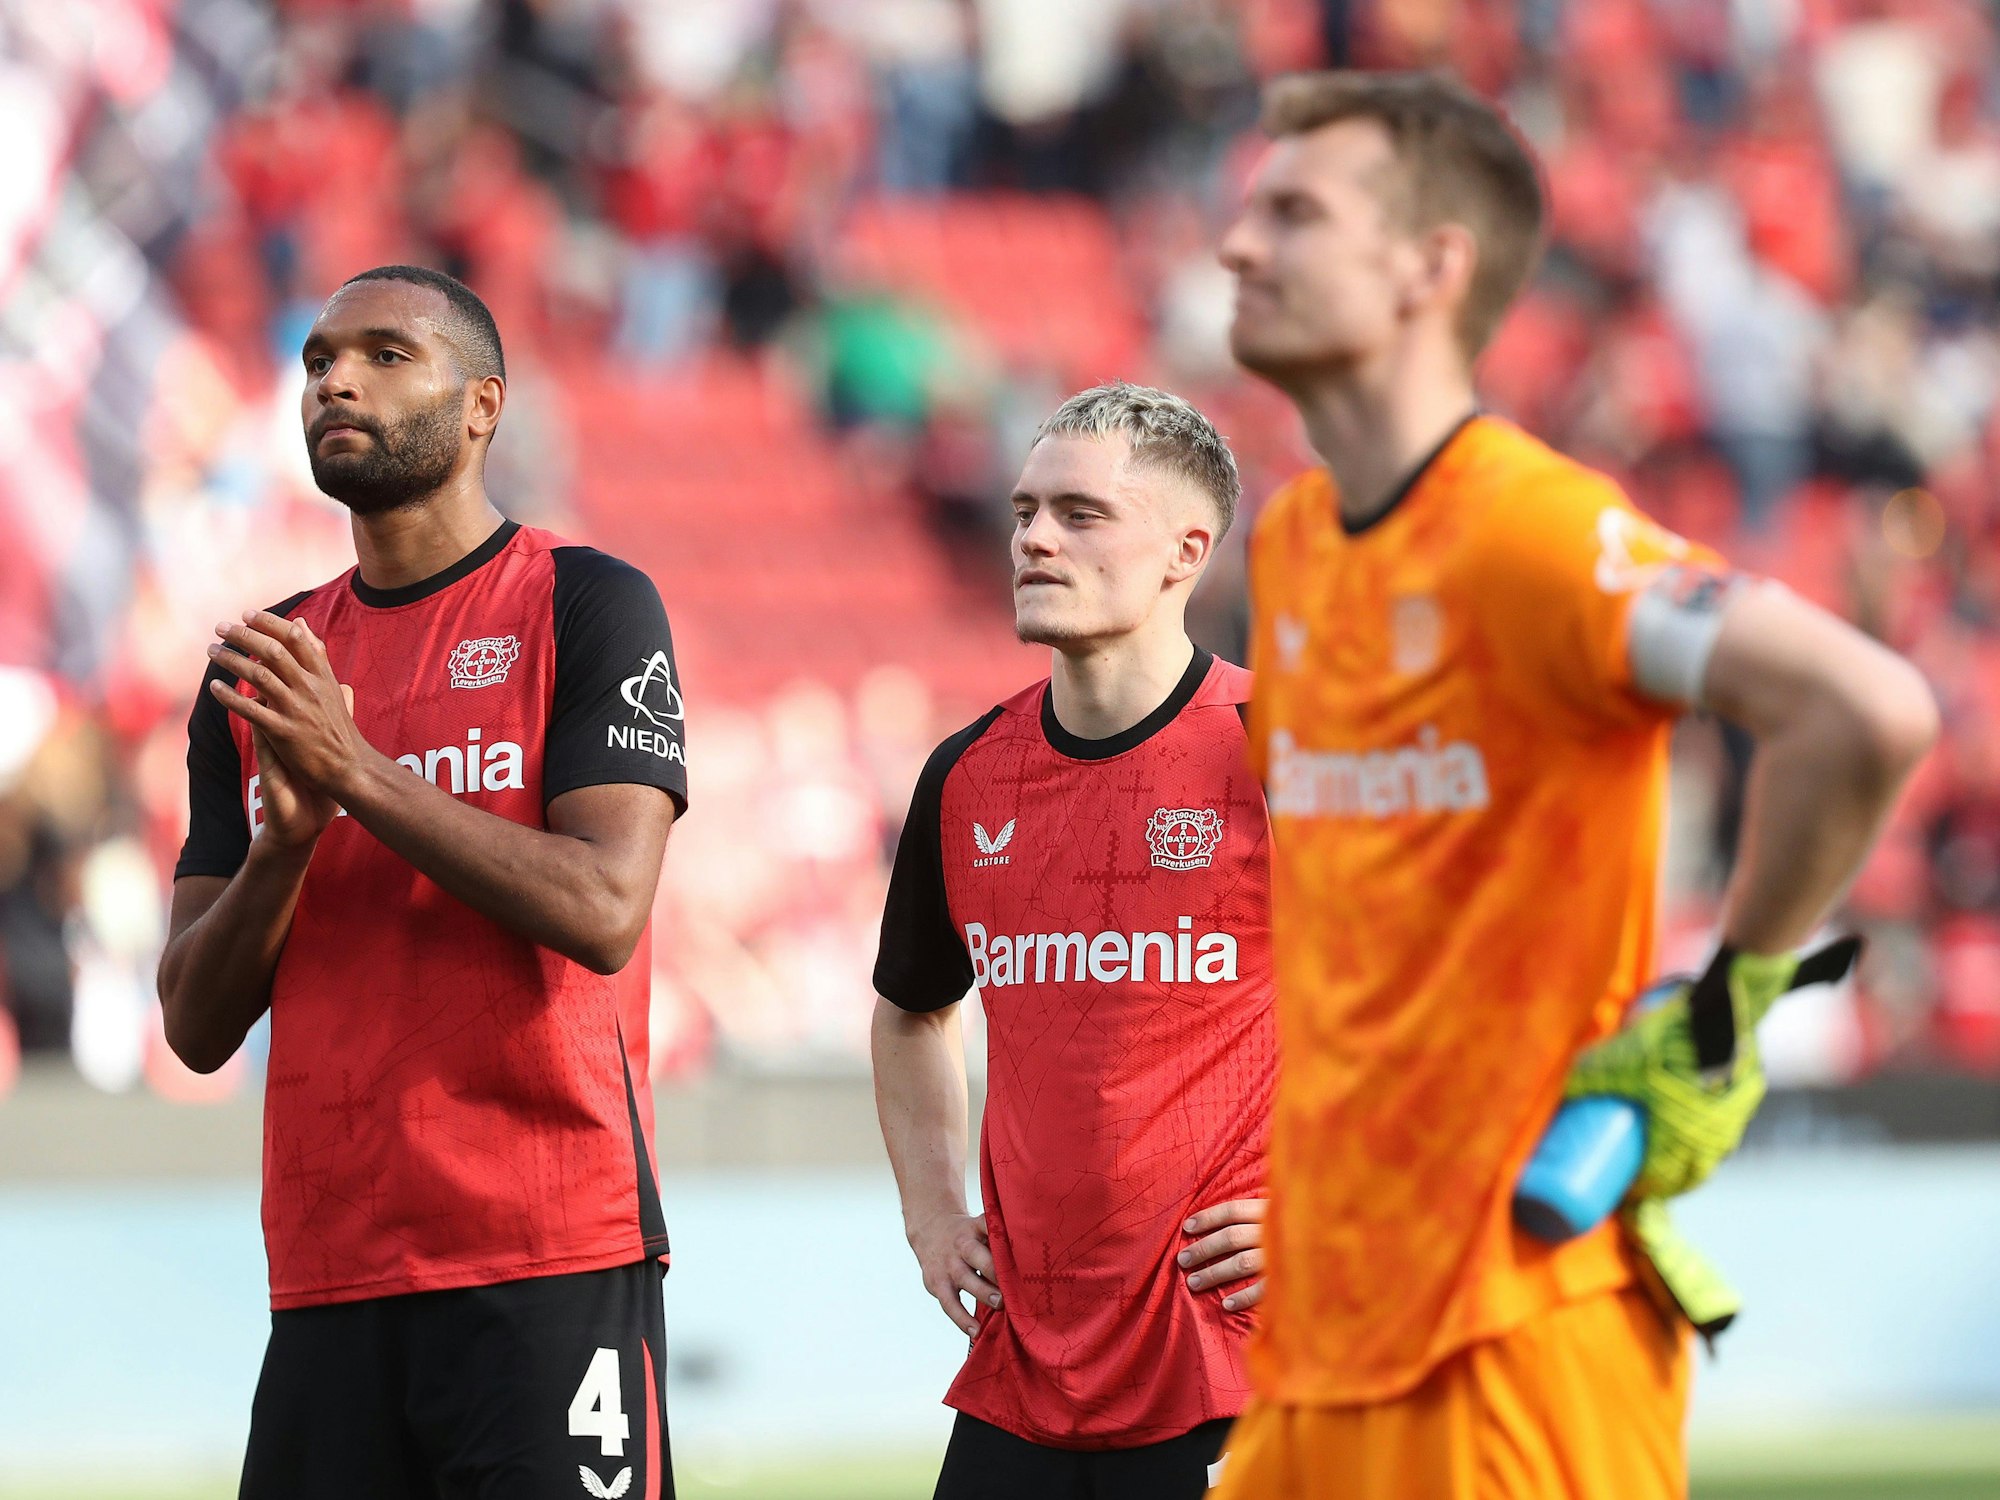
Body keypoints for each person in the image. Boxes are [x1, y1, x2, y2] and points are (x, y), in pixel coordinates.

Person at [1212, 71, 1938, 1498]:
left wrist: (1728, 1004)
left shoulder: (1531, 534)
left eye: (1294, 214)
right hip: (1323, 1337)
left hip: (1516, 1330)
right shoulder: (1291, 545)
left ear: (1430, 267)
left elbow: (1862, 709)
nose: (1239, 245)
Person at [157, 265, 689, 1500]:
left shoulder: (587, 602)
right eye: (316, 362)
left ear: (482, 405)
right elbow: (192, 1024)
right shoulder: (261, 669)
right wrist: (285, 848)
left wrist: (353, 771)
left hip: (549, 1254)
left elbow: (605, 908)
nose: (334, 382)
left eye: (385, 355)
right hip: (330, 1271)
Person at [871, 382, 1275, 1500]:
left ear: (1186, 552)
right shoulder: (966, 773)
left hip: (1237, 1357)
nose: (1034, 539)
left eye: (1080, 513)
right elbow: (911, 1011)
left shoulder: (1283, 749)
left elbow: (1440, 1011)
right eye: (1023, 511)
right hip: (1023, 1365)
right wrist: (929, 1215)